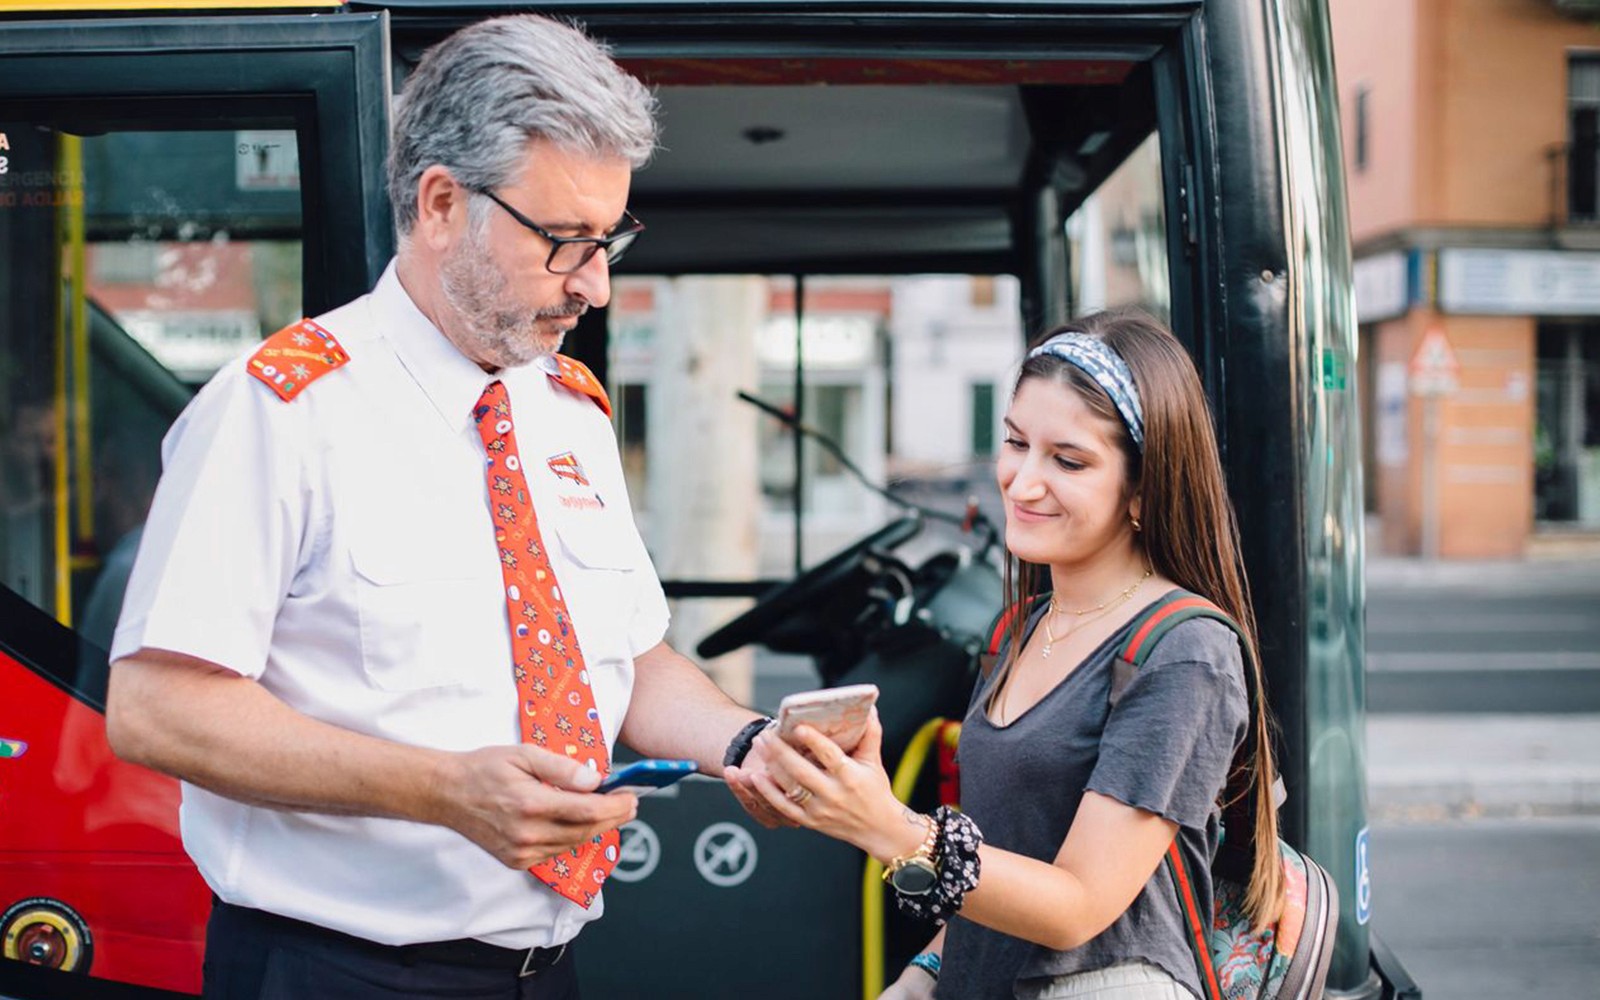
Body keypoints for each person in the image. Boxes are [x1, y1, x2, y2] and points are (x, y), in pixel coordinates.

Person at [105, 15, 782, 999]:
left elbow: (629, 661)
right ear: (438, 204)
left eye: (609, 240)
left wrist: (747, 743)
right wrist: (443, 789)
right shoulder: (282, 411)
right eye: (564, 241)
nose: (593, 283)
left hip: (545, 969)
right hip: (334, 970)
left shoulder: (568, 414)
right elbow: (157, 708)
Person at [728, 309, 1285, 1000]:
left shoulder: (1184, 651)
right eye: (1016, 443)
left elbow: (1077, 904)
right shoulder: (1018, 629)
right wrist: (922, 975)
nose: (1021, 483)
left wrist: (888, 825)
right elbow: (995, 869)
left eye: (1068, 460)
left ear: (1145, 487)